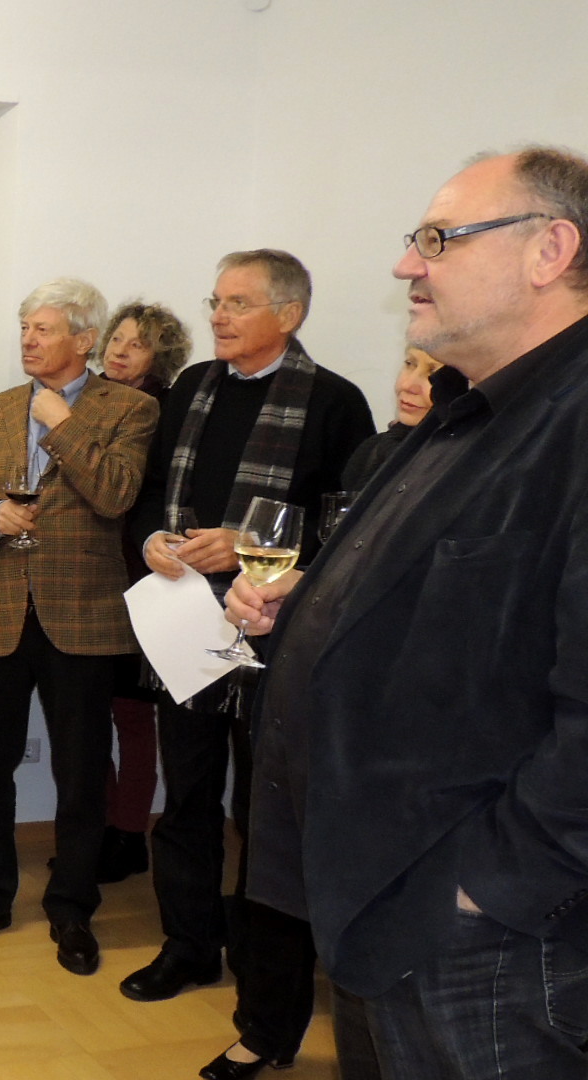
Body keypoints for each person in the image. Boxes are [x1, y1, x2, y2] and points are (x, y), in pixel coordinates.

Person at [231, 147, 588, 1079]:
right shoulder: (467, 411)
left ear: (550, 250)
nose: (406, 266)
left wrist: (483, 888)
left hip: (489, 933)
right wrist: (310, 607)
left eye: (437, 239)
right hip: (381, 897)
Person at [123, 251, 373, 1080]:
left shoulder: (334, 402)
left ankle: (265, 988)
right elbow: (150, 496)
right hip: (183, 623)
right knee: (186, 794)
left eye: (238, 303)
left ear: (289, 314)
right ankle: (188, 945)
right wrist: (153, 542)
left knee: (264, 816)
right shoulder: (191, 387)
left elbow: (350, 532)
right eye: (216, 301)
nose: (219, 316)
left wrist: (251, 544)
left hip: (275, 635)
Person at [0, 277, 158, 975]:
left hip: (83, 616)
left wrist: (62, 424)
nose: (29, 340)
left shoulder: (131, 409)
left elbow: (116, 495)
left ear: (85, 339)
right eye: (25, 328)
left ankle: (72, 909)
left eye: (44, 329)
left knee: (82, 773)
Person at [94, 301, 191, 884]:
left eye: (138, 344)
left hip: (143, 577)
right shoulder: (83, 399)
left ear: (161, 357)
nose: (120, 351)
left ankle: (128, 832)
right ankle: (100, 826)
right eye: (117, 339)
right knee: (88, 713)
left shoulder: (170, 410)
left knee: (133, 716)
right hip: (87, 578)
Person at [337, 347, 443, 493]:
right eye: (410, 364)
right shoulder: (373, 451)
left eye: (433, 372)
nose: (407, 385)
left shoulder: (462, 464)